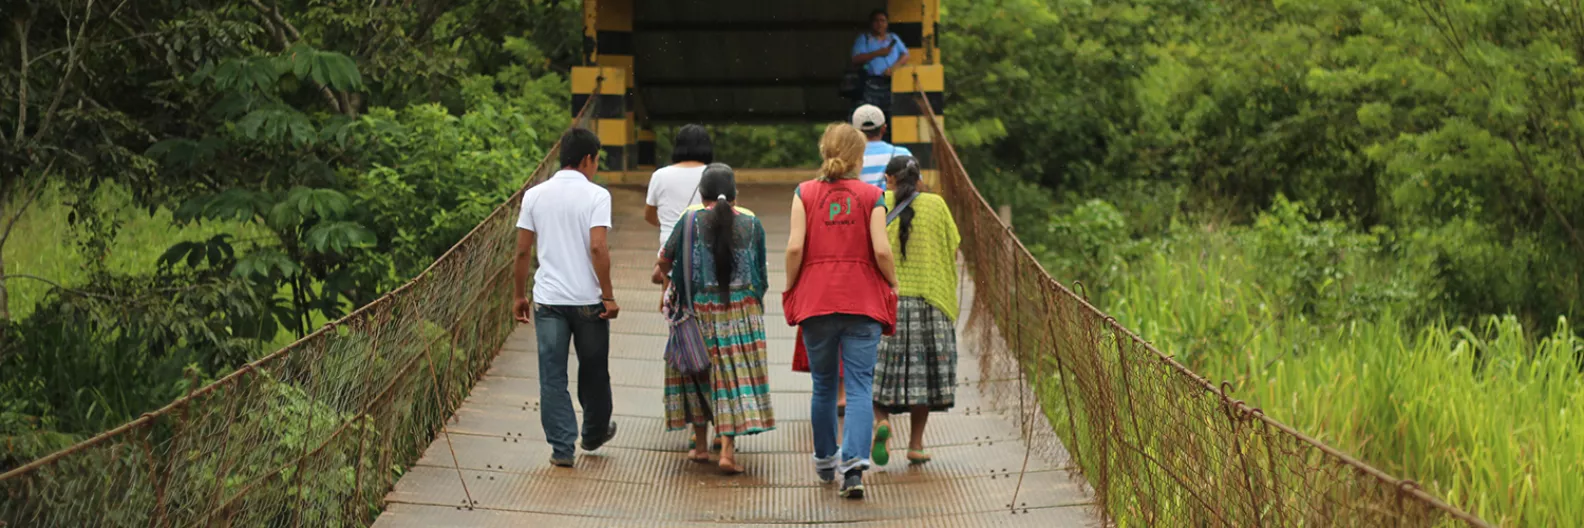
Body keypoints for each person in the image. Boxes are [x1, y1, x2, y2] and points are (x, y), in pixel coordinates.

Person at [784, 123, 900, 499]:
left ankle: (823, 461)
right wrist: (893, 282)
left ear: (824, 151)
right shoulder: (873, 195)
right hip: (862, 301)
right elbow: (882, 250)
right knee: (861, 386)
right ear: (860, 157)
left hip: (817, 301)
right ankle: (853, 470)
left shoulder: (804, 193)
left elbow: (794, 248)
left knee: (823, 385)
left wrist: (790, 286)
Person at [652, 163, 775, 475]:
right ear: (735, 194)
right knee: (733, 378)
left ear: (702, 193)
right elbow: (761, 274)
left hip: (699, 310)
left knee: (696, 373)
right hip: (741, 312)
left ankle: (702, 446)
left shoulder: (689, 219)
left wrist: (668, 279)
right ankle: (728, 452)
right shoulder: (751, 223)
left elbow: (665, 260)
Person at [512, 127, 621, 468]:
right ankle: (592, 432)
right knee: (593, 369)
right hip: (588, 301)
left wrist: (518, 295)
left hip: (549, 302)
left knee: (552, 374)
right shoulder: (597, 196)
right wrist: (608, 295)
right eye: (597, 160)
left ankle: (562, 448)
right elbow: (598, 246)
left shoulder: (534, 196)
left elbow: (522, 253)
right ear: (588, 159)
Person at [869, 156, 960, 467]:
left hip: (888, 302)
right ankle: (916, 445)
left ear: (889, 178)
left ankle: (881, 422)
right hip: (930, 301)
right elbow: (953, 246)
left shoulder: (878, 202)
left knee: (875, 373)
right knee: (923, 379)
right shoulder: (936, 205)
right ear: (918, 177)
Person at [645, 124, 712, 249]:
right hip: (706, 246)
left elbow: (649, 215)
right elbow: (729, 211)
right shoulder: (716, 174)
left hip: (670, 247)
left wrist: (669, 224)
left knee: (662, 269)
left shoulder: (660, 175)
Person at [850, 9, 909, 119]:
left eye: (883, 21)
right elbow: (856, 59)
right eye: (876, 21)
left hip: (892, 82)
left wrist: (893, 68)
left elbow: (905, 55)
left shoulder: (893, 38)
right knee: (872, 114)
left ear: (887, 23)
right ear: (871, 23)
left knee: (891, 114)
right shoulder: (865, 39)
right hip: (871, 82)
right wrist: (878, 53)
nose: (879, 24)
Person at [852, 104, 913, 191]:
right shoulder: (902, 154)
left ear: (855, 131)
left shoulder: (847, 158)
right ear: (884, 128)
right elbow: (916, 188)